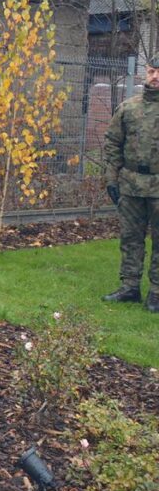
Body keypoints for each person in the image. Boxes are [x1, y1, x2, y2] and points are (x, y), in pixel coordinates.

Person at [102, 55, 159, 313]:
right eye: (151, 71)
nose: (155, 77)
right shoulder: (129, 108)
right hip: (131, 184)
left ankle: (156, 293)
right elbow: (113, 143)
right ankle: (129, 287)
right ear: (145, 74)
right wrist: (111, 178)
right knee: (130, 238)